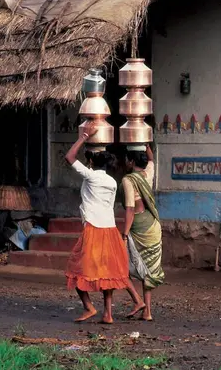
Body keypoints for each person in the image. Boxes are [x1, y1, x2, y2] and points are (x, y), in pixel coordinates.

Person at [64, 126, 131, 324]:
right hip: (109, 229)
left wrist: (83, 137)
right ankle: (108, 313)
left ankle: (89, 306)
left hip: (93, 228)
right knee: (107, 273)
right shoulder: (112, 182)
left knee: (76, 269)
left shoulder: (91, 176)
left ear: (92, 162)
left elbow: (69, 157)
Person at [121, 144, 165, 321]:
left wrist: (124, 234)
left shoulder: (128, 180)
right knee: (149, 269)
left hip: (139, 226)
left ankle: (139, 302)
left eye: (126, 159)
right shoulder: (148, 174)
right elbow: (152, 160)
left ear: (131, 161)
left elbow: (130, 209)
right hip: (153, 226)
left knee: (123, 266)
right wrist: (147, 145)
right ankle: (147, 312)